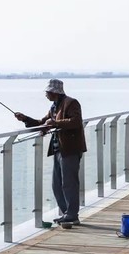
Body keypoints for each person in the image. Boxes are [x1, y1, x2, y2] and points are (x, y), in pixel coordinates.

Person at [14, 79, 87, 226]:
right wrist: (25, 119)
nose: (46, 94)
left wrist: (55, 123)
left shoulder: (71, 103)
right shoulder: (54, 107)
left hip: (70, 149)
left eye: (48, 92)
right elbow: (43, 123)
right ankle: (67, 214)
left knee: (69, 183)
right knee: (57, 184)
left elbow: (76, 121)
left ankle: (72, 215)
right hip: (58, 148)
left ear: (55, 92)